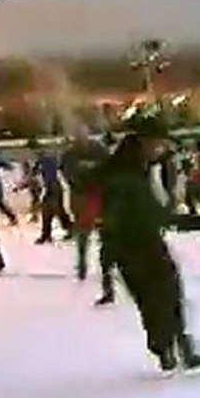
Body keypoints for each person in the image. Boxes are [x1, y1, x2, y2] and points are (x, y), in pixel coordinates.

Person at [100, 115, 200, 373]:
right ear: (146, 142)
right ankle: (176, 350)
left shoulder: (132, 165)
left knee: (156, 298)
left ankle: (168, 350)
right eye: (160, 144)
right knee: (163, 295)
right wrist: (185, 220)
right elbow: (140, 213)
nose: (162, 149)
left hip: (135, 244)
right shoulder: (126, 173)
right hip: (136, 246)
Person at [62, 127, 113, 300]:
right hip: (81, 196)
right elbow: (67, 174)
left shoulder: (98, 149)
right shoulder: (69, 155)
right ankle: (83, 263)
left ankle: (109, 269)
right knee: (83, 231)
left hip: (97, 194)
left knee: (106, 232)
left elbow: (108, 168)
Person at [29, 139, 73, 244]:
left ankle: (68, 230)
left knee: (55, 211)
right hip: (53, 188)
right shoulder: (44, 159)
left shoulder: (45, 159)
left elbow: (49, 174)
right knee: (49, 212)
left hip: (53, 188)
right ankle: (47, 234)